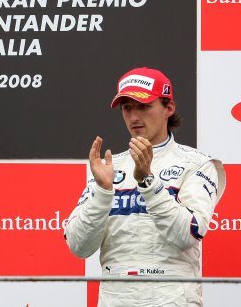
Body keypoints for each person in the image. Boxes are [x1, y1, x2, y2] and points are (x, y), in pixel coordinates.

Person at [64, 67, 226, 307]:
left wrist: (148, 182)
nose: (134, 117)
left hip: (170, 297)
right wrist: (103, 192)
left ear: (168, 108)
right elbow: (79, 246)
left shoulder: (197, 164)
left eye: (143, 106)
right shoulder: (110, 168)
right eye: (127, 108)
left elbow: (188, 234)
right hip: (115, 298)